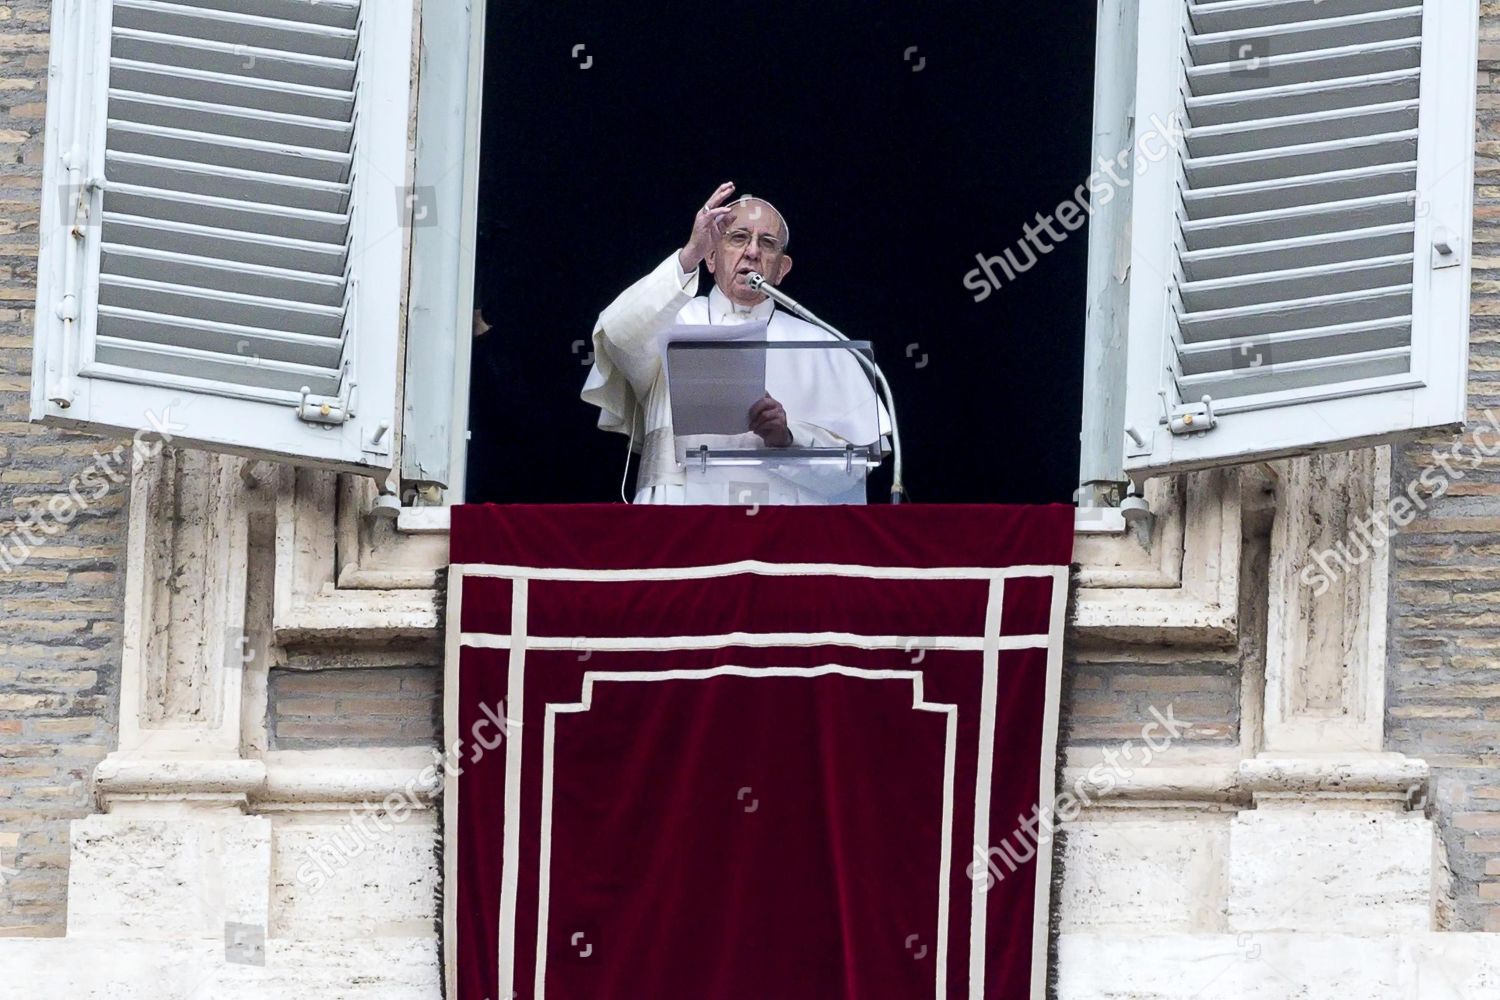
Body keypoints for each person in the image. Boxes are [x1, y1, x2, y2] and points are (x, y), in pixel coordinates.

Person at [581, 182, 885, 504]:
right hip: (677, 518)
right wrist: (689, 255)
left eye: (767, 243)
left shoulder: (819, 341)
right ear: (711, 257)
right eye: (738, 238)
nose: (752, 252)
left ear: (781, 270)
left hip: (782, 532)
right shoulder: (669, 318)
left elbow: (853, 469)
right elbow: (616, 335)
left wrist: (788, 437)